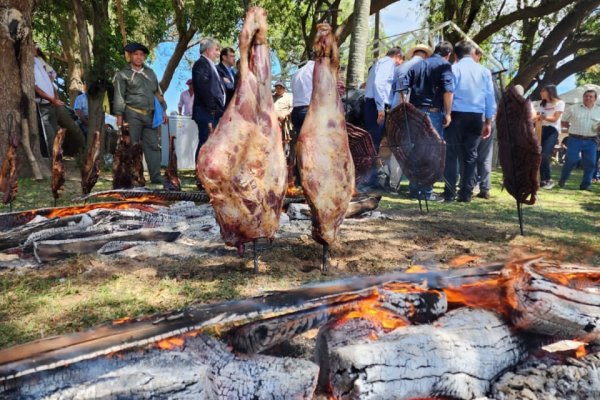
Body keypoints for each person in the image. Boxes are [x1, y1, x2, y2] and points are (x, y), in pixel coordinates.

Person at [442, 40, 496, 203]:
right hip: (476, 116)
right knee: (471, 155)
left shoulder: (453, 68)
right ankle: (466, 193)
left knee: (451, 154)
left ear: (456, 55)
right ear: (472, 54)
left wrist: (448, 113)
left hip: (456, 114)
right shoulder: (485, 71)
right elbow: (489, 97)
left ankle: (449, 193)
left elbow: (449, 92)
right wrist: (488, 121)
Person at [403, 41, 454, 201]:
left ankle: (414, 189)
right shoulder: (444, 66)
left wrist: (406, 106)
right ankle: (425, 191)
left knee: (416, 150)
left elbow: (403, 87)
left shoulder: (418, 65)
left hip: (415, 112)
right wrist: (448, 113)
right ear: (448, 55)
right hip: (432, 113)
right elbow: (448, 91)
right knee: (431, 152)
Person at [113, 42, 168, 184]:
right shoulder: (123, 74)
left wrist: (164, 110)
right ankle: (133, 177)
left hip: (150, 115)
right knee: (132, 146)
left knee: (153, 146)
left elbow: (158, 92)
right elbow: (119, 95)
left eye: (141, 55)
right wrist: (119, 116)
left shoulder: (150, 73)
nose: (139, 57)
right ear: (130, 56)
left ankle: (156, 177)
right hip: (132, 114)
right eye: (136, 54)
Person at [363, 47, 404, 153]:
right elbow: (379, 84)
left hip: (372, 103)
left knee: (372, 140)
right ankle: (373, 168)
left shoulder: (379, 63)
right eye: (401, 61)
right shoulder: (389, 63)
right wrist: (380, 109)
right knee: (375, 141)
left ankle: (372, 167)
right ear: (398, 56)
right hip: (376, 105)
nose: (399, 65)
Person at [558, 89, 600, 190]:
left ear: (595, 99)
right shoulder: (573, 108)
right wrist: (569, 128)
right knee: (571, 160)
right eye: (586, 96)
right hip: (574, 139)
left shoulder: (599, 110)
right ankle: (563, 179)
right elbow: (563, 120)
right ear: (583, 97)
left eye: (591, 96)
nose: (588, 98)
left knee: (590, 163)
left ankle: (585, 185)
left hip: (591, 140)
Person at [192, 37, 225, 162]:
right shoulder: (201, 64)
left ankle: (208, 173)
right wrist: (212, 108)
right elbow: (203, 87)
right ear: (208, 50)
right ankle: (200, 174)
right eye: (216, 50)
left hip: (214, 112)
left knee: (213, 143)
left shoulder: (212, 66)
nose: (218, 53)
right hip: (206, 112)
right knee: (206, 142)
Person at [34, 44, 63, 155]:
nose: (36, 47)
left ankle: (57, 160)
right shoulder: (28, 63)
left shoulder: (39, 61)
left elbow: (49, 82)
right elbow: (35, 87)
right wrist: (51, 99)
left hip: (51, 104)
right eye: (33, 45)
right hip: (42, 104)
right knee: (49, 136)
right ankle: (53, 162)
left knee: (55, 133)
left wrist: (55, 98)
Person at [534, 84, 565, 189]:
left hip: (552, 130)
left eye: (542, 91)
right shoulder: (541, 104)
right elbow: (537, 117)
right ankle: (539, 179)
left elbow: (555, 118)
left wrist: (543, 117)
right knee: (537, 154)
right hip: (540, 129)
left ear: (549, 92)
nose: (540, 93)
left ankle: (548, 179)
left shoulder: (560, 103)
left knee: (544, 154)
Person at [291, 56, 315, 138]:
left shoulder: (296, 73)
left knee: (300, 142)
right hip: (307, 110)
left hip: (295, 111)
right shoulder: (315, 69)